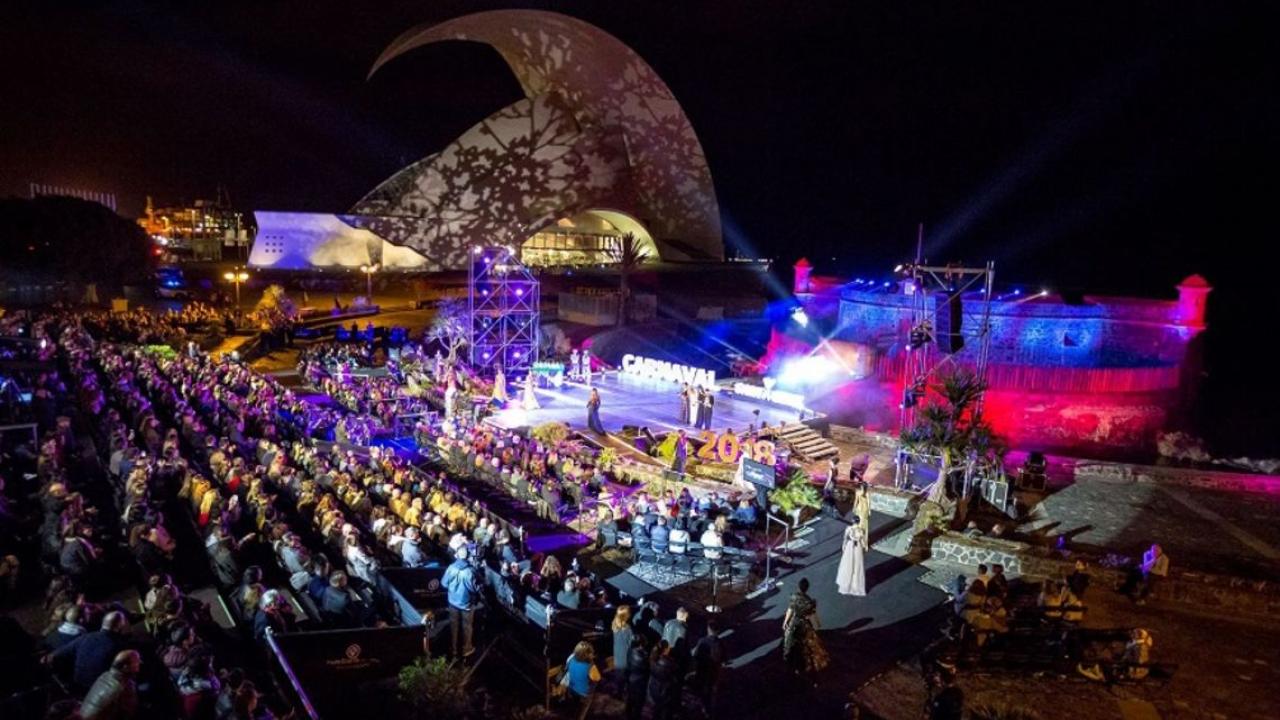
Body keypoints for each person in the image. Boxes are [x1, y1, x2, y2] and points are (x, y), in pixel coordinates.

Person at [50, 610, 130, 692]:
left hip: (77, 687)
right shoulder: (120, 646)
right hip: (100, 691)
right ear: (120, 627)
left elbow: (56, 655)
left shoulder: (86, 637)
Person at [782, 577, 828, 682]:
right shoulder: (810, 602)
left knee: (790, 643)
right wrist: (818, 624)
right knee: (805, 647)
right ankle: (804, 667)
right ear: (807, 588)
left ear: (798, 587)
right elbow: (813, 615)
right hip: (804, 625)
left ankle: (790, 663)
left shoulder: (794, 597)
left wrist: (785, 622)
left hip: (794, 623)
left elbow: (790, 610)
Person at [79, 649, 141, 720]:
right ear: (125, 667)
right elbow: (129, 714)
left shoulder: (105, 675)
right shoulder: (126, 686)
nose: (139, 665)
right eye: (136, 663)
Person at [443, 547, 482, 658]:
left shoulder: (451, 568)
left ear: (458, 555)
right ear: (468, 557)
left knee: (453, 625)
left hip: (452, 602)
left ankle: (454, 649)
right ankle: (466, 648)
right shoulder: (470, 571)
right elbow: (474, 589)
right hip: (466, 604)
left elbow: (444, 583)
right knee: (467, 626)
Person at [692, 621, 725, 715]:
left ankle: (702, 706)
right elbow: (723, 659)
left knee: (701, 688)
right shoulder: (720, 643)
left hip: (702, 670)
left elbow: (695, 655)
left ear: (708, 629)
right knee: (710, 690)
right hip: (713, 671)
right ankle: (708, 709)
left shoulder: (702, 641)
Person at [563, 639, 602, 719]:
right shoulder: (590, 666)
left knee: (572, 709)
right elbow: (597, 678)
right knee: (580, 713)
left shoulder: (571, 658)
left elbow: (566, 670)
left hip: (571, 690)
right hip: (583, 695)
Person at [837, 517, 867, 596]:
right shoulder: (861, 530)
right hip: (858, 548)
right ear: (858, 522)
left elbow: (845, 539)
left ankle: (846, 584)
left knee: (848, 565)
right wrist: (864, 547)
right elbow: (863, 542)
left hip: (850, 547)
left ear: (852, 521)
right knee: (857, 566)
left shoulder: (849, 529)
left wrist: (844, 547)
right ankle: (856, 586)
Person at [624, 634, 651, 720]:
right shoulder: (643, 656)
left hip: (631, 679)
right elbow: (647, 669)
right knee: (638, 705)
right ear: (641, 644)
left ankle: (628, 715)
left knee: (630, 700)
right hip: (640, 682)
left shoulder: (630, 651)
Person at [611, 605, 634, 690]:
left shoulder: (614, 624)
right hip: (625, 655)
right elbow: (631, 643)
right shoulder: (627, 629)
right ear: (627, 616)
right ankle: (620, 690)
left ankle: (617, 688)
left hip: (617, 653)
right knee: (624, 674)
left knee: (618, 672)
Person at [851, 482, 871, 548]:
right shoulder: (859, 492)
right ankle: (860, 541)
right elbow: (856, 501)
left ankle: (864, 543)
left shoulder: (866, 493)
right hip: (860, 510)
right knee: (860, 526)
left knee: (863, 526)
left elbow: (868, 503)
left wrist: (869, 511)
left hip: (864, 511)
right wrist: (854, 508)